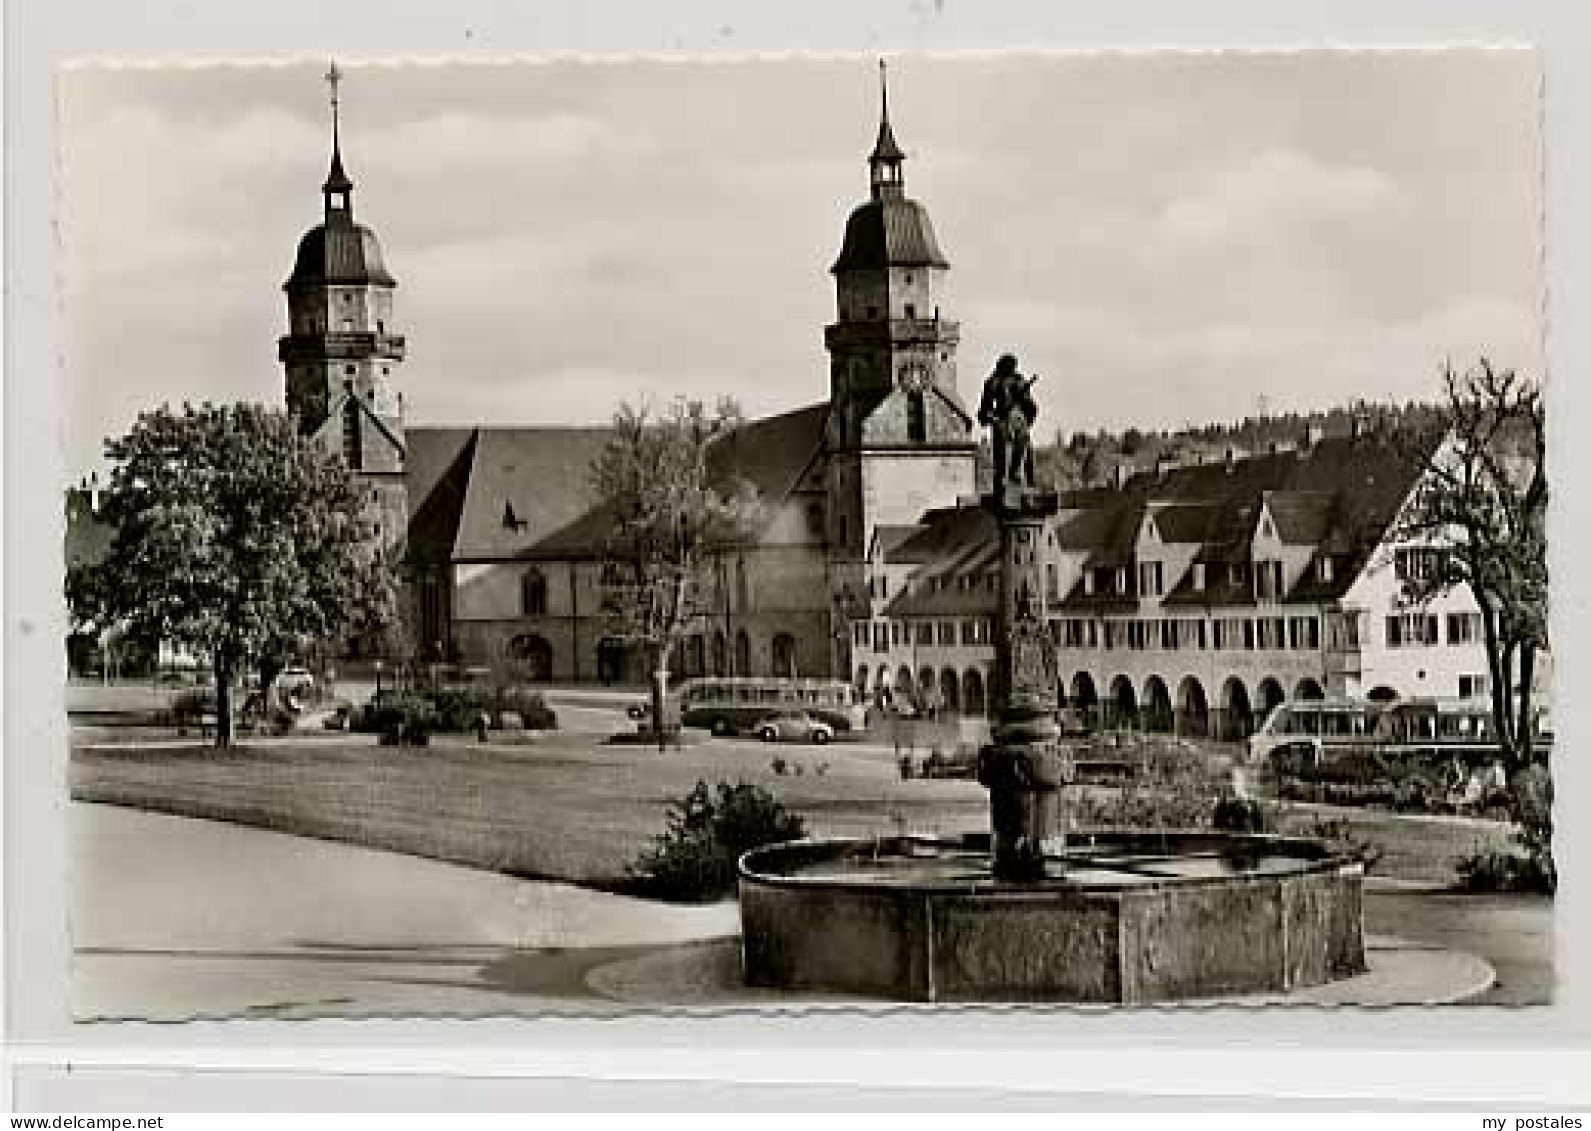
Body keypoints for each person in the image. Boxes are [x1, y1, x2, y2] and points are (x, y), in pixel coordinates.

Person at [977, 354, 1039, 490]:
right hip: (1001, 422)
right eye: (1009, 367)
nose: (1012, 370)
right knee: (1002, 457)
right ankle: (1003, 483)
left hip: (1019, 420)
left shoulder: (1019, 380)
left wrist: (1025, 406)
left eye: (1013, 368)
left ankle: (1024, 480)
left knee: (1025, 449)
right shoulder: (993, 382)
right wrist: (993, 418)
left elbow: (1030, 406)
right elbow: (984, 409)